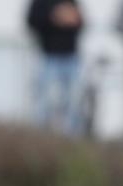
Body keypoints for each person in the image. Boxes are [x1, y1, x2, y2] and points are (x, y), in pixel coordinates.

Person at [27, 0, 84, 135]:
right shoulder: (40, 3)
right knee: (44, 99)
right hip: (48, 57)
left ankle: (72, 136)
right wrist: (54, 17)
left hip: (71, 58)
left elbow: (82, 22)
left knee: (74, 99)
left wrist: (73, 19)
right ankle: (41, 135)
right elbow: (31, 21)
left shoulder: (71, 1)